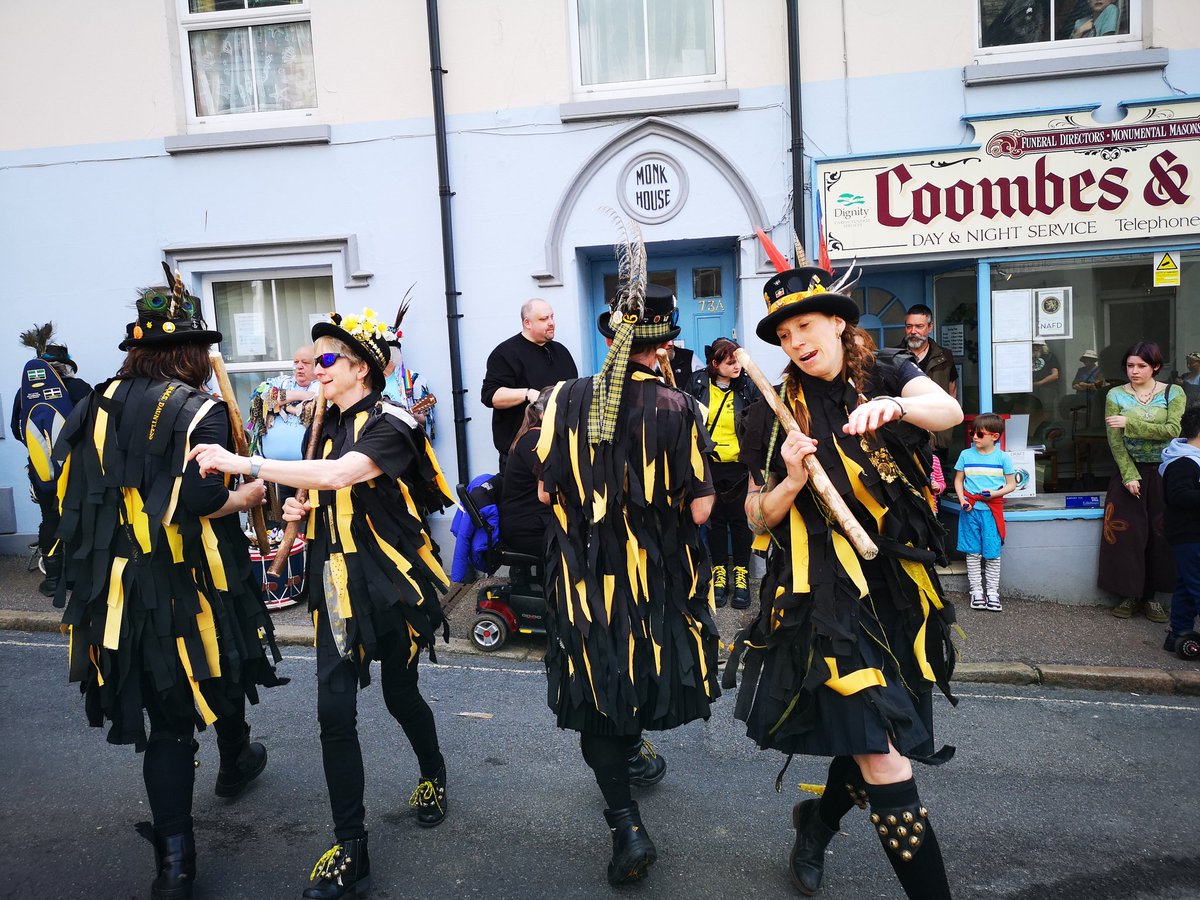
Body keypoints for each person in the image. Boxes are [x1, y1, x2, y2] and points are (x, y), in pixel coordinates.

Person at [191, 307, 455, 900]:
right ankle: (351, 847)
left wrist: (244, 463)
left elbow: (341, 476)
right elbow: (322, 484)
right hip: (334, 586)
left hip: (387, 584)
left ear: (362, 368)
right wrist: (296, 516)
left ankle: (433, 773)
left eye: (327, 359)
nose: (316, 369)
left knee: (399, 692)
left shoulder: (392, 422)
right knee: (334, 715)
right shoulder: (325, 421)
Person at [727, 244, 962, 899]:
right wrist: (792, 478)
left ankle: (816, 823)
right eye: (784, 332)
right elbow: (755, 517)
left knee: (873, 741)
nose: (796, 340)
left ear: (836, 322)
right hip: (825, 597)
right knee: (883, 757)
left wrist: (899, 408)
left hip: (896, 589)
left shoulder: (888, 369)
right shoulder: (766, 413)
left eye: (807, 325)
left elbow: (948, 413)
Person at [52, 273, 284, 900]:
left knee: (167, 705)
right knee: (215, 657)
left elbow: (66, 490)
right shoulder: (200, 409)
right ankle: (217, 790)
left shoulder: (93, 401)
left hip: (113, 586)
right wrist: (249, 494)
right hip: (188, 576)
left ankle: (181, 855)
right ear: (189, 354)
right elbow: (200, 498)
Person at [536, 232, 720, 886]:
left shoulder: (562, 399)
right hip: (655, 576)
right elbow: (700, 510)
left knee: (596, 687)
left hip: (583, 572)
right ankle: (634, 762)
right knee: (639, 667)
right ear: (662, 347)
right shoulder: (680, 406)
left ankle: (626, 822)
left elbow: (541, 488)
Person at [1100, 341, 1184, 622]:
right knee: (1126, 536)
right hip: (1129, 473)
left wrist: (1130, 424)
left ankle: (1152, 598)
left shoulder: (1174, 392)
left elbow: (1172, 431)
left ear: (1156, 367)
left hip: (1165, 471)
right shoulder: (1115, 395)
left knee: (1160, 535)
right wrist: (1128, 474)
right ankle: (1128, 595)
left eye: (1141, 366)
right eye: (1129, 366)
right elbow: (1115, 441)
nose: (1134, 371)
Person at [11, 324, 92, 596]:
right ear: (67, 366)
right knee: (79, 517)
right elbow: (96, 426)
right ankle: (80, 578)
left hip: (41, 469)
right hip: (77, 468)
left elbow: (16, 429)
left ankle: (53, 579)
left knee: (49, 518)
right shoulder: (80, 388)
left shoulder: (24, 393)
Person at [684, 337, 761, 608]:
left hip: (740, 467)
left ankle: (740, 574)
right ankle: (719, 574)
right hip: (709, 466)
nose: (737, 366)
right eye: (730, 362)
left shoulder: (749, 386)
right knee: (715, 522)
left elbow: (758, 424)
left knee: (740, 521)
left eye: (738, 360)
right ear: (715, 364)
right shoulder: (697, 383)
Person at [481, 298, 578, 471]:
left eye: (552, 317)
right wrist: (528, 394)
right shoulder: (505, 353)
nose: (551, 323)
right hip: (522, 455)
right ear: (527, 323)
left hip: (561, 450)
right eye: (543, 319)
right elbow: (491, 396)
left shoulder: (561, 351)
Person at [954, 413, 1019, 611]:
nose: (974, 437)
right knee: (972, 553)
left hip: (992, 510)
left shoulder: (1003, 457)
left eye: (979, 434)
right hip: (970, 509)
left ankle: (992, 593)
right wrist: (963, 500)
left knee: (992, 554)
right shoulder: (965, 455)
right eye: (972, 433)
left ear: (995, 437)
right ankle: (976, 592)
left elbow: (1011, 485)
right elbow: (958, 480)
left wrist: (994, 493)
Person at [248, 345, 318, 511]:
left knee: (303, 518)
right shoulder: (283, 381)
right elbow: (262, 401)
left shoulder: (323, 385)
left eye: (306, 362)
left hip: (309, 472)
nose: (299, 366)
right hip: (273, 472)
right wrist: (300, 396)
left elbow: (315, 410)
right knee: (276, 524)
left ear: (318, 365)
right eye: (296, 362)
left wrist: (284, 404)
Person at [896, 304, 957, 470]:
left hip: (936, 433)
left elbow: (952, 392)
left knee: (938, 484)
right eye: (909, 326)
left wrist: (945, 426)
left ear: (930, 327)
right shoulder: (894, 356)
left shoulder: (945, 356)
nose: (913, 331)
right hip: (904, 434)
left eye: (919, 326)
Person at [1159, 407, 1200, 654]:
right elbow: (1179, 495)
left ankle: (1178, 634)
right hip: (1190, 534)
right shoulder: (1184, 462)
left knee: (1186, 585)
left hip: (1190, 533)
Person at [500, 386, 552, 557]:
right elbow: (547, 494)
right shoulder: (535, 441)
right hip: (528, 529)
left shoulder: (532, 435)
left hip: (527, 522)